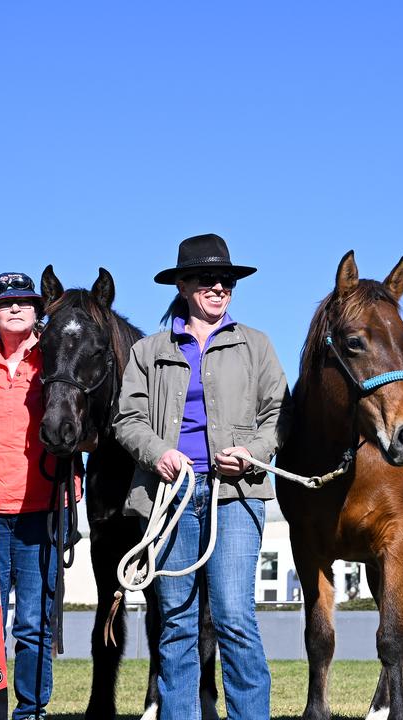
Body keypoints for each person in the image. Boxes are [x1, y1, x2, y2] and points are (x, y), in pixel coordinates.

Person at [115, 233, 288, 720]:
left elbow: (279, 413)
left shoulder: (256, 345)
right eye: (208, 280)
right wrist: (158, 454)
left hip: (236, 496)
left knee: (234, 616)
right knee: (176, 622)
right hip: (170, 501)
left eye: (227, 280)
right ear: (184, 285)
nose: (220, 288)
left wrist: (253, 452)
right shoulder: (149, 352)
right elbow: (127, 420)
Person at [0, 272, 76, 720]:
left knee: (32, 623)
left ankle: (31, 711)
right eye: (5, 304)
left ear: (38, 309)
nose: (15, 308)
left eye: (25, 301)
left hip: (42, 510)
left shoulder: (55, 358)